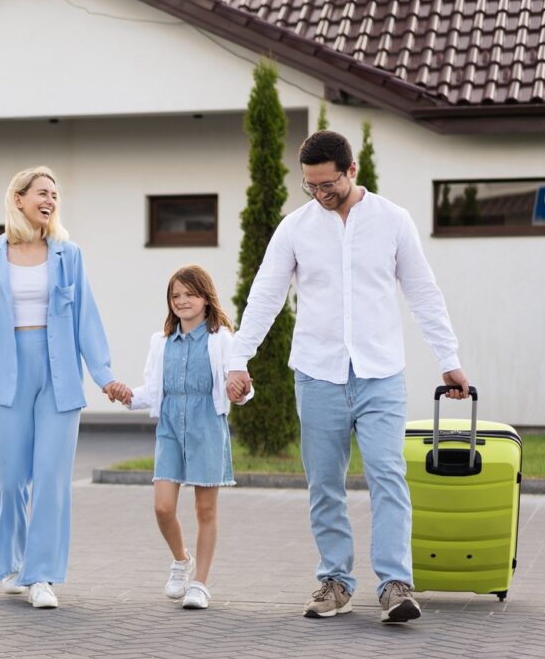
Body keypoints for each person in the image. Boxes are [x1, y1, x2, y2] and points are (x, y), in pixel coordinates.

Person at [225, 130, 469, 623]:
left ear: (351, 169)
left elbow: (423, 293)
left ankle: (396, 584)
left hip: (380, 374)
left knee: (387, 474)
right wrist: (238, 358)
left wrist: (449, 357)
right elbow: (266, 296)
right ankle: (335, 582)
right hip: (317, 375)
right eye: (310, 185)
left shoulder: (393, 221)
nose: (320, 193)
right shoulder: (294, 228)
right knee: (324, 484)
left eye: (328, 183)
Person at [0, 165, 129, 609]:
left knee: (51, 479)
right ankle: (12, 563)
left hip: (59, 375)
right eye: (42, 192)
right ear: (19, 198)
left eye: (55, 195)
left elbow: (87, 316)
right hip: (7, 376)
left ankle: (42, 574)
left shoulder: (68, 254)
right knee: (7, 480)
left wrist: (104, 375)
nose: (49, 200)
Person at [123, 265, 252, 610]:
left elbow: (237, 386)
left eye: (190, 294)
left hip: (206, 427)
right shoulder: (161, 342)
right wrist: (126, 396)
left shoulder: (222, 339)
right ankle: (181, 560)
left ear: (206, 299)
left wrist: (239, 391)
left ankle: (200, 584)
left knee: (205, 509)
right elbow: (152, 390)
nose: (182, 301)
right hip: (169, 430)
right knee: (163, 507)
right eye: (175, 295)